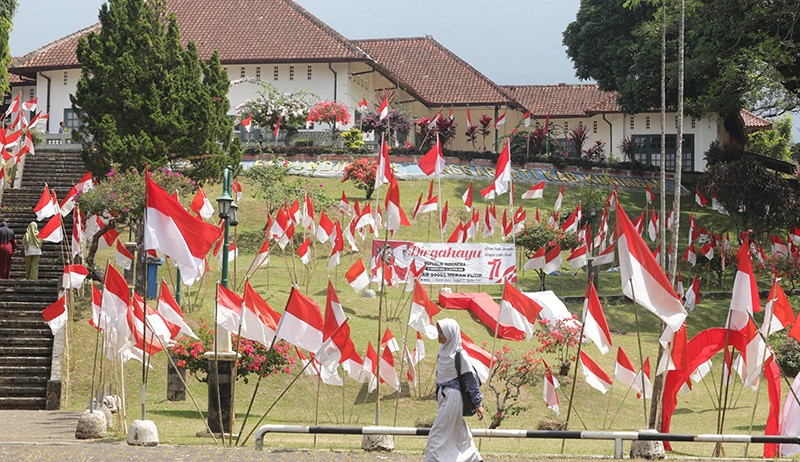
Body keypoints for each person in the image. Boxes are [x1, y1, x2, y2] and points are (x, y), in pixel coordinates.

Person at [424, 318, 484, 462]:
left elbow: (470, 380)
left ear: (450, 334)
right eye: (439, 331)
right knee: (459, 433)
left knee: (436, 435)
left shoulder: (459, 355)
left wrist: (478, 404)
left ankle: (432, 458)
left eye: (442, 332)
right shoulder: (443, 351)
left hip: (453, 397)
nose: (439, 335)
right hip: (444, 397)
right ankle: (474, 458)